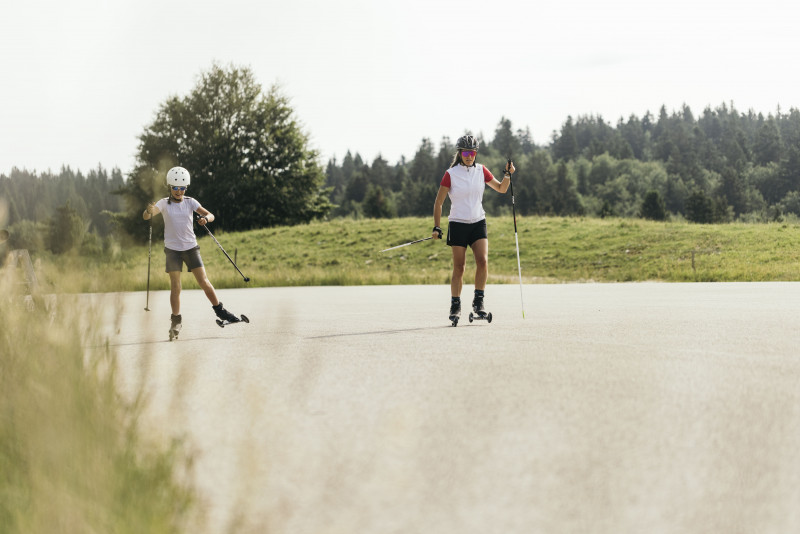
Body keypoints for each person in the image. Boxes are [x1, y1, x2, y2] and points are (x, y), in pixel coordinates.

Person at [143, 166, 241, 337]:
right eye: (176, 188)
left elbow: (210, 215)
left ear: (186, 188)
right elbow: (146, 216)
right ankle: (176, 321)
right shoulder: (163, 203)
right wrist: (148, 211)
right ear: (170, 187)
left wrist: (205, 219)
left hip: (190, 248)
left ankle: (221, 312)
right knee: (176, 286)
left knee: (204, 281)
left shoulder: (190, 202)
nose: (179, 191)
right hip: (172, 250)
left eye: (182, 188)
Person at [432, 135, 515, 324]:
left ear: (476, 153)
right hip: (458, 224)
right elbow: (439, 202)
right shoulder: (451, 174)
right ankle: (455, 305)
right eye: (466, 152)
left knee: (483, 261)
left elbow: (502, 188)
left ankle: (479, 303)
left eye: (473, 152)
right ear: (460, 153)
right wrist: (437, 226)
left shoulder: (481, 170)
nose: (470, 156)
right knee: (459, 267)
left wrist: (508, 174)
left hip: (478, 222)